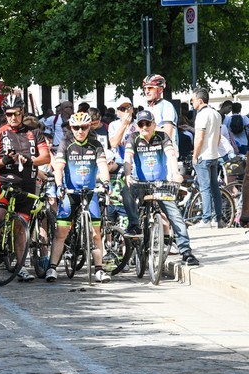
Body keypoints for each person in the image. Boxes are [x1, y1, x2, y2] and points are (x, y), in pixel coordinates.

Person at [0, 98, 51, 282]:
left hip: (27, 185)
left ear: (22, 112)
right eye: (8, 114)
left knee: (21, 228)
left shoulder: (35, 133)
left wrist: (30, 160)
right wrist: (4, 161)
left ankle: (20, 267)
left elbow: (45, 157)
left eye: (16, 113)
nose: (12, 117)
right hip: (5, 183)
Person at [124, 110, 199, 266]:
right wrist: (127, 175)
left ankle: (186, 251)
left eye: (147, 123)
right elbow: (128, 158)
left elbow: (171, 156)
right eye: (141, 124)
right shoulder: (133, 138)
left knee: (175, 215)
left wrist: (176, 174)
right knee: (125, 191)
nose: (144, 127)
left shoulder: (163, 136)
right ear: (137, 126)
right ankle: (134, 225)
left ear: (154, 124)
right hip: (140, 183)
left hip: (161, 183)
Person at [47, 112, 112, 283]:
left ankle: (99, 269)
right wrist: (59, 186)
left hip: (90, 193)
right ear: (71, 128)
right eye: (76, 127)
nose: (80, 131)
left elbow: (103, 166)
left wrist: (106, 183)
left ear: (89, 127)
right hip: (70, 193)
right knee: (61, 232)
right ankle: (52, 268)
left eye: (84, 127)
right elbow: (59, 168)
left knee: (96, 234)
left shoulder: (96, 144)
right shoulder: (65, 144)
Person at [107, 96, 143, 236]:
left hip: (136, 163)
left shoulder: (140, 124)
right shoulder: (114, 125)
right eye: (122, 109)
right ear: (117, 112)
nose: (125, 111)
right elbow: (114, 143)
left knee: (128, 188)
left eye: (127, 108)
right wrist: (124, 125)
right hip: (119, 163)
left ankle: (135, 222)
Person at [190, 88, 223, 229]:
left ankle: (206, 219)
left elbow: (200, 137)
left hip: (203, 156)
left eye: (192, 100)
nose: (191, 103)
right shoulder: (216, 114)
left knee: (205, 188)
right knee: (215, 188)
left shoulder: (201, 115)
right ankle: (219, 219)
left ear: (200, 100)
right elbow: (219, 136)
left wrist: (195, 155)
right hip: (214, 154)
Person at [142, 74, 178, 150]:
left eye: (150, 88)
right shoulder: (146, 107)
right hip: (151, 151)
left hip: (167, 152)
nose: (147, 91)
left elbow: (168, 133)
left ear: (160, 90)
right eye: (145, 88)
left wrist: (148, 128)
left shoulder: (167, 106)